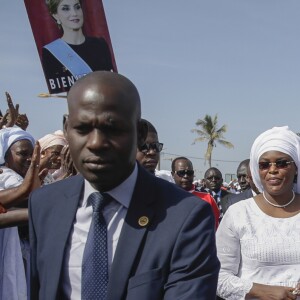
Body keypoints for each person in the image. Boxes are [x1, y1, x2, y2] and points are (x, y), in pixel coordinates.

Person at [29, 71, 220, 300]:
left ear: (139, 134)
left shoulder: (185, 217)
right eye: (82, 128)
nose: (96, 143)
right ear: (67, 128)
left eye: (113, 129)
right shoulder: (44, 205)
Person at [216, 126, 300, 299]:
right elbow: (218, 277)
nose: (272, 169)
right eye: (264, 164)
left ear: (296, 167)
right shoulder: (238, 214)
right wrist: (264, 291)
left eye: (282, 163)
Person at [42, 0, 114, 94]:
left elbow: (113, 83)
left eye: (77, 7)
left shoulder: (100, 44)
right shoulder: (50, 52)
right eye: (65, 9)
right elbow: (57, 93)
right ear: (55, 15)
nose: (74, 13)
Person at [171, 156, 220, 229]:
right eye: (181, 173)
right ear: (172, 174)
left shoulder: (209, 196)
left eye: (189, 173)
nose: (186, 176)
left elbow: (216, 226)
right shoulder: (166, 196)